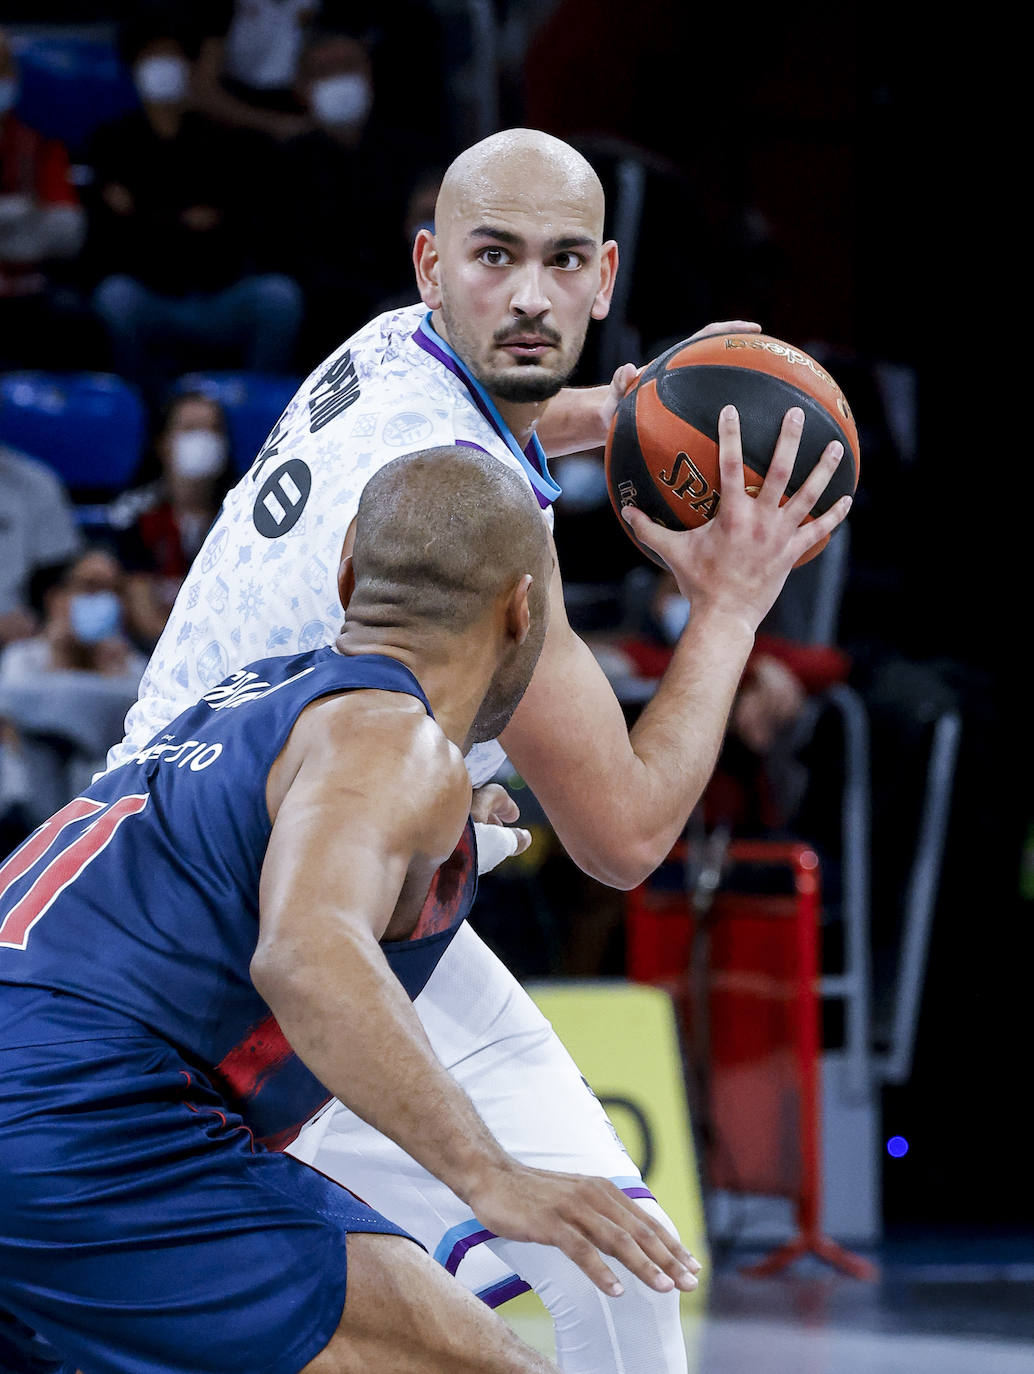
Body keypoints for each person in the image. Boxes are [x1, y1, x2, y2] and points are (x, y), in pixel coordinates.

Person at [105, 128, 852, 1373]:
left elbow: (510, 401)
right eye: (494, 257)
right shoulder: (478, 525)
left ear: (606, 279)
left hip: (266, 875)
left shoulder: (382, 354)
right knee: (455, 1326)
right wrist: (727, 606)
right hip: (232, 939)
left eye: (562, 264)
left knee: (616, 1260)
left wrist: (625, 409)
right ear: (429, 263)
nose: (526, 296)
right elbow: (620, 837)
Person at [0, 447, 700, 1374]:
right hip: (88, 1118)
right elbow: (306, 953)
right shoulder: (393, 740)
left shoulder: (251, 703)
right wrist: (490, 1174)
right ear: (523, 610)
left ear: (344, 571)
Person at [83, 18, 303, 403]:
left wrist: (145, 212)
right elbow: (110, 235)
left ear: (189, 65)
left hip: (221, 295)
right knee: (115, 298)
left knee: (277, 297)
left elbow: (232, 225)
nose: (164, 66)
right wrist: (183, 220)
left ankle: (255, 410)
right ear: (134, 66)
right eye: (153, 56)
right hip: (152, 296)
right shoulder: (111, 142)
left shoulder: (222, 142)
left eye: (173, 56)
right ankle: (147, 414)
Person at [106, 389, 237, 648]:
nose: (203, 439)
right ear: (163, 443)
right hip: (147, 649)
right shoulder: (132, 512)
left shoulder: (243, 510)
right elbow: (143, 614)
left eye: (212, 430)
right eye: (190, 429)